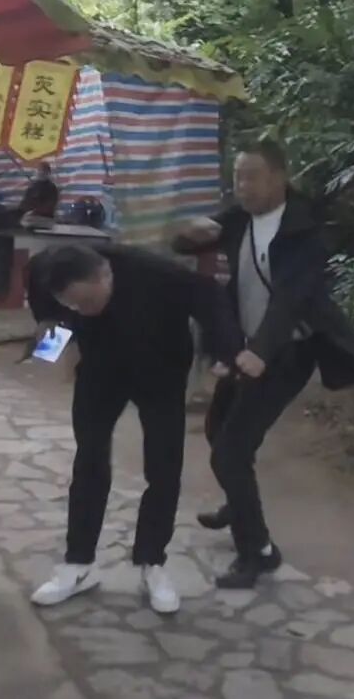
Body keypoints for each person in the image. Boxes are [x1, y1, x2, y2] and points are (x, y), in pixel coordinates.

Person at [173, 139, 354, 589]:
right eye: (237, 177)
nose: (242, 186)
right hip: (245, 349)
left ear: (279, 178)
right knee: (218, 430)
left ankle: (258, 551)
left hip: (286, 354)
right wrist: (187, 235)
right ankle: (237, 502)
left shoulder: (305, 231)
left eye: (252, 177)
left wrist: (259, 353)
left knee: (230, 452)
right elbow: (184, 244)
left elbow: (288, 301)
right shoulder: (238, 217)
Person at [25, 243, 238, 612]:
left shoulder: (157, 273)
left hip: (161, 370)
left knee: (163, 467)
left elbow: (211, 297)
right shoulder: (49, 267)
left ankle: (151, 562)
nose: (80, 310)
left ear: (105, 275)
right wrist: (48, 322)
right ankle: (78, 564)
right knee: (89, 459)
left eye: (86, 302)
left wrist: (226, 352)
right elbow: (37, 286)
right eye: (72, 304)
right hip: (100, 369)